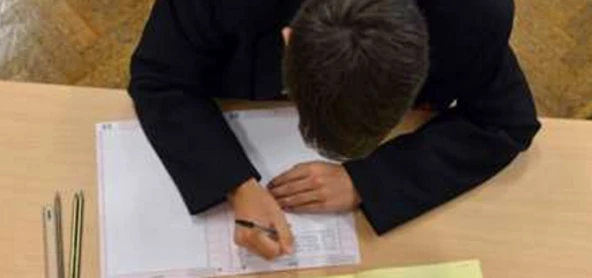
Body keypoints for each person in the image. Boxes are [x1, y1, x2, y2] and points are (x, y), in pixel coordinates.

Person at [129, 0, 540, 260]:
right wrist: (234, 184)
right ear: (289, 42)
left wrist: (368, 179)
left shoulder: (472, 15)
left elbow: (506, 119)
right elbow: (159, 77)